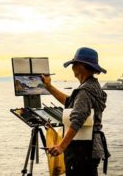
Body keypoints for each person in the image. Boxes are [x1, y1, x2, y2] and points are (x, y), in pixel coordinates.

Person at [41, 47, 110, 176]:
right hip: (90, 147)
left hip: (81, 150)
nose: (72, 68)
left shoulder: (85, 91)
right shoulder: (92, 86)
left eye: (73, 64)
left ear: (80, 67)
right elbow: (70, 103)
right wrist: (49, 87)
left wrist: (61, 146)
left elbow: (77, 119)